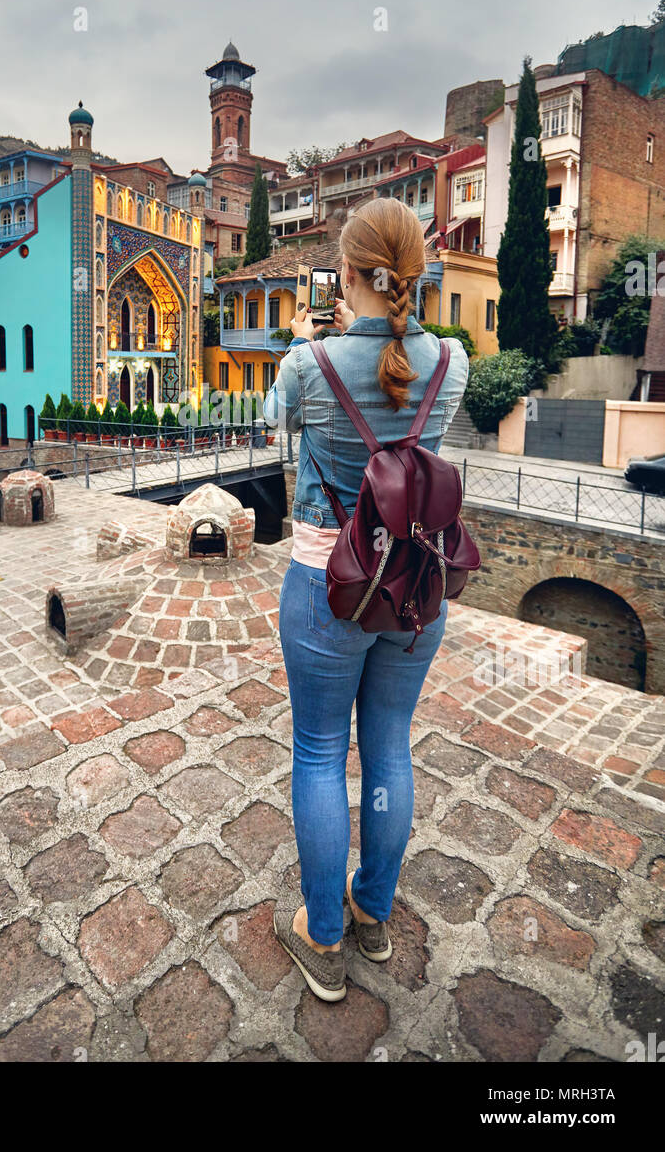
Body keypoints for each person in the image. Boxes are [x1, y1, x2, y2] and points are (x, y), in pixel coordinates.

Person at [263, 197, 469, 1003]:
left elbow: (275, 428)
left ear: (345, 273)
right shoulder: (452, 361)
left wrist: (317, 342)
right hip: (419, 591)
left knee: (319, 752)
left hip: (329, 587)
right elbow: (404, 387)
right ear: (417, 273)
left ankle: (321, 936)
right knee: (388, 747)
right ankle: (371, 914)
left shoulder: (307, 364)